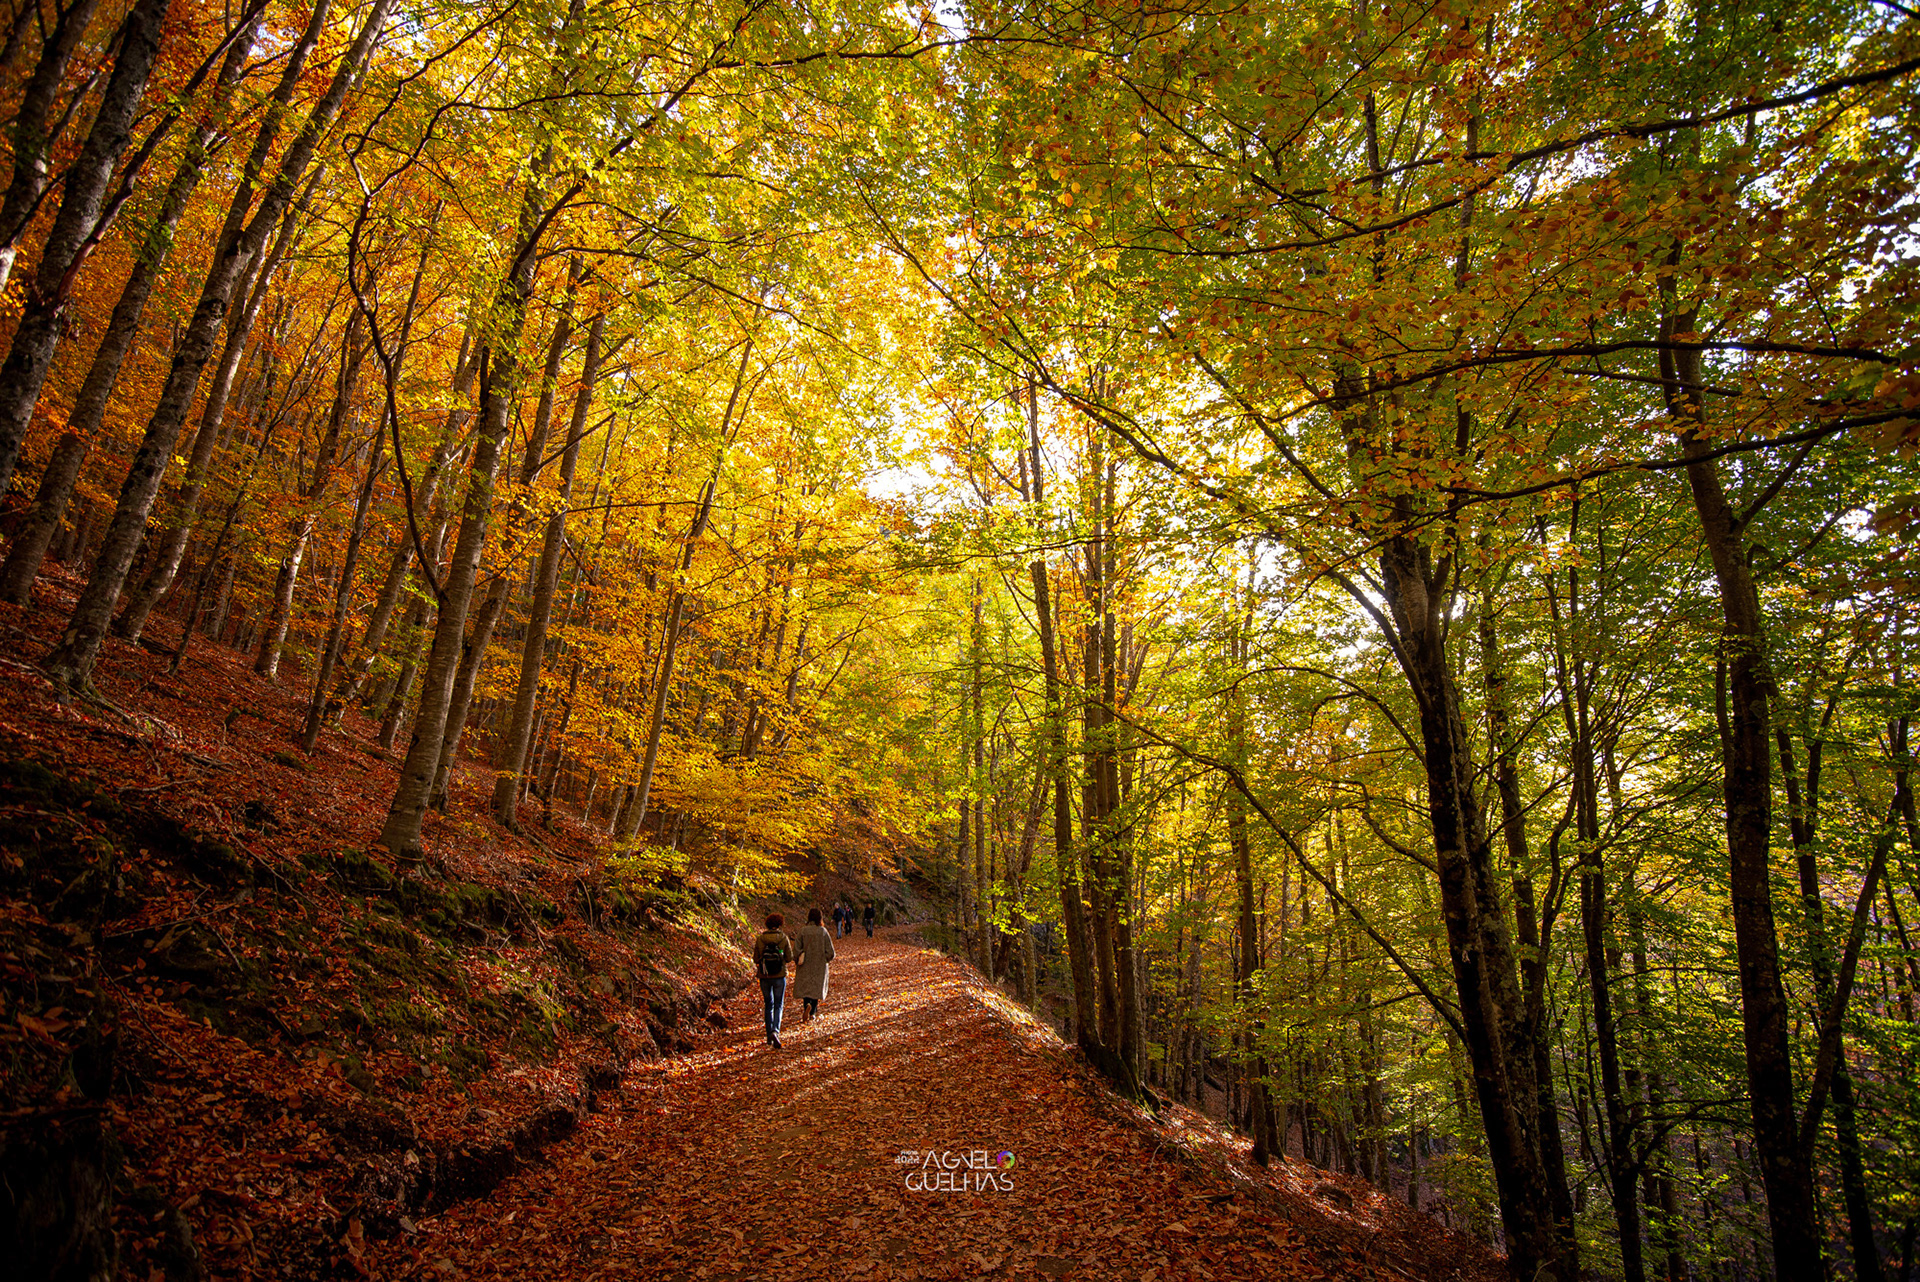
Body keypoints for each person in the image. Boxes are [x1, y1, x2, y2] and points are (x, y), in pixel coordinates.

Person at [753, 913, 792, 1048]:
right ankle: (776, 1030)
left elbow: (756, 959)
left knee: (768, 1004)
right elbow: (789, 957)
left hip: (764, 976)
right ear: (780, 924)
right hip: (779, 976)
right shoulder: (783, 938)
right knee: (778, 1004)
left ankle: (769, 1034)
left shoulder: (760, 939)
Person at [793, 907, 835, 1021]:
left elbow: (796, 950)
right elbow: (831, 952)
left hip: (805, 965)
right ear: (820, 918)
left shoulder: (803, 931)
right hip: (819, 965)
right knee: (816, 988)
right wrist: (824, 959)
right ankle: (813, 1012)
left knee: (806, 987)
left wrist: (798, 959)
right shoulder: (823, 932)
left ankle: (807, 1005)